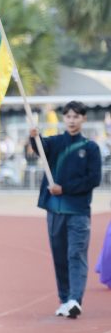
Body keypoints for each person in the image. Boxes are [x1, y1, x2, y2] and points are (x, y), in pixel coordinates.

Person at [29, 100, 102, 318]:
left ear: (83, 119)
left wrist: (65, 189)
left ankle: (75, 300)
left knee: (75, 254)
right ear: (64, 118)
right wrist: (34, 138)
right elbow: (41, 149)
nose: (72, 120)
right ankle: (64, 299)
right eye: (68, 116)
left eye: (76, 116)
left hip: (78, 212)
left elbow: (94, 179)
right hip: (54, 211)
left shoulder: (91, 148)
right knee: (59, 256)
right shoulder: (56, 142)